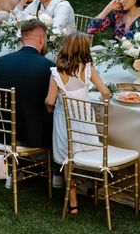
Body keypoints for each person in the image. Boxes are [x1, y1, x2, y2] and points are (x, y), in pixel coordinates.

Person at [45, 33, 110, 215]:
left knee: (69, 160)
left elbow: (50, 100)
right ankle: (91, 189)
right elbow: (105, 92)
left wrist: (48, 105)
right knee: (87, 151)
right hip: (85, 123)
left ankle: (73, 204)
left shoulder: (56, 73)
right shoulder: (88, 68)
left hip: (65, 124)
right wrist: (100, 106)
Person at [0, 19, 54, 149]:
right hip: (34, 136)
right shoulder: (50, 67)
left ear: (22, 39)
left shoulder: (2, 61)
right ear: (42, 39)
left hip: (1, 131)